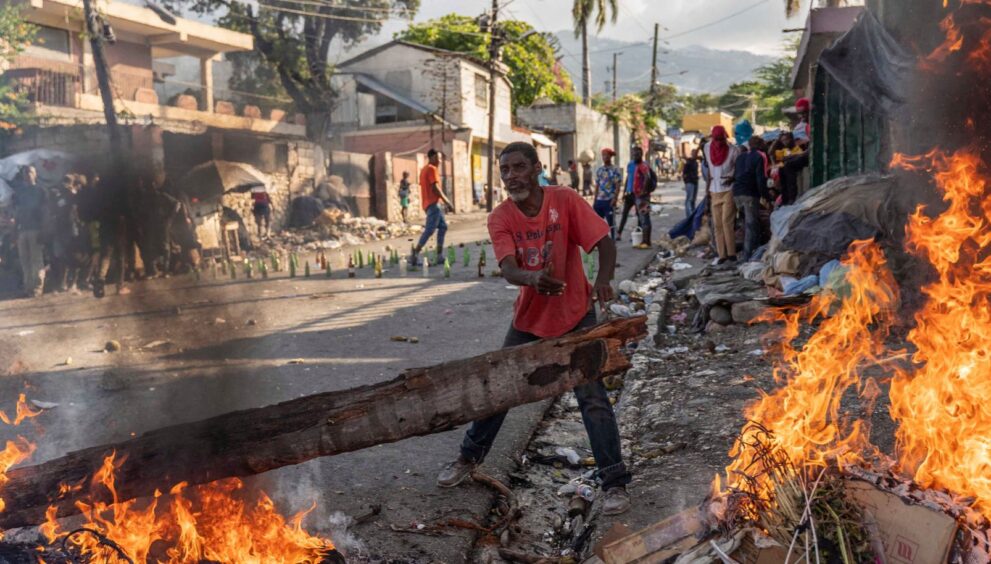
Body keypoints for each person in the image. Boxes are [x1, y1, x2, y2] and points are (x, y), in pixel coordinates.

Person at [436, 141, 632, 516]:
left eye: (518, 167)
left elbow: (604, 243)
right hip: (528, 321)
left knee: (591, 398)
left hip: (576, 314)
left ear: (538, 167)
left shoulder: (566, 200)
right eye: (505, 170)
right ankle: (468, 458)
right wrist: (532, 278)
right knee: (499, 391)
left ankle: (615, 482)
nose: (511, 177)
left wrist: (604, 280)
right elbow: (509, 270)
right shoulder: (501, 217)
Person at [704, 125, 740, 265]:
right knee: (717, 225)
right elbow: (709, 172)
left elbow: (738, 169)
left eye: (721, 139)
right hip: (714, 190)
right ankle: (721, 255)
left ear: (725, 137)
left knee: (727, 222)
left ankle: (731, 254)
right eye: (716, 139)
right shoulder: (707, 148)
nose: (719, 142)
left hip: (728, 190)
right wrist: (707, 192)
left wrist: (733, 177)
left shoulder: (733, 150)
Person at [411, 149, 453, 265]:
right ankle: (415, 253)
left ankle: (439, 255)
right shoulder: (431, 169)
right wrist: (447, 201)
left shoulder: (423, 170)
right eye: (437, 158)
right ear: (431, 157)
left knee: (443, 227)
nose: (439, 161)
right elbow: (435, 188)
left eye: (439, 158)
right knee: (429, 230)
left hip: (429, 204)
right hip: (434, 204)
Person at [11, 166, 47, 297]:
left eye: (30, 172)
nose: (27, 175)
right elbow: (16, 213)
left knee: (36, 260)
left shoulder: (41, 191)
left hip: (35, 229)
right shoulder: (19, 192)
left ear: (35, 174)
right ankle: (28, 288)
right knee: (25, 261)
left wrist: (44, 230)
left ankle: (37, 288)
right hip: (22, 230)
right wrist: (14, 231)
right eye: (25, 173)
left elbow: (45, 213)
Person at [733, 136, 769, 262]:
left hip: (736, 193)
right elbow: (761, 179)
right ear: (760, 144)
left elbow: (736, 174)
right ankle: (747, 257)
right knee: (750, 225)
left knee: (746, 224)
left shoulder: (741, 156)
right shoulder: (760, 156)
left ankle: (752, 251)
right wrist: (766, 196)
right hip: (749, 194)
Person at [593, 148, 622, 240]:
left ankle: (613, 239)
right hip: (599, 200)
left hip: (609, 200)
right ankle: (599, 240)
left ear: (610, 156)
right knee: (597, 222)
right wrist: (595, 200)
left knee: (611, 222)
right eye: (603, 155)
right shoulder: (600, 170)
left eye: (606, 155)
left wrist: (615, 199)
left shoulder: (615, 170)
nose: (604, 157)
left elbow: (618, 185)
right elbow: (597, 185)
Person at [630, 147, 654, 249]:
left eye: (637, 155)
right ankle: (644, 241)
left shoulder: (643, 166)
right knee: (642, 218)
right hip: (638, 196)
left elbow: (647, 177)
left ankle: (646, 242)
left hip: (642, 197)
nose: (635, 156)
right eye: (634, 155)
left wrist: (643, 191)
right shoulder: (637, 166)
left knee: (645, 219)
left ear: (641, 155)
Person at [615, 154, 638, 241]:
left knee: (639, 216)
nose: (636, 155)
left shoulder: (643, 165)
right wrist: (624, 192)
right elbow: (628, 178)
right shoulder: (630, 164)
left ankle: (637, 234)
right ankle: (619, 234)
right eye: (635, 153)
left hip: (637, 194)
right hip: (629, 194)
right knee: (624, 214)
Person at [682, 149, 700, 219]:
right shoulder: (689, 162)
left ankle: (692, 215)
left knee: (693, 200)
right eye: (694, 153)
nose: (695, 155)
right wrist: (687, 181)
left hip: (695, 182)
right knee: (689, 199)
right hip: (690, 182)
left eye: (696, 153)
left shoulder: (695, 162)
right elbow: (684, 174)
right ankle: (689, 216)